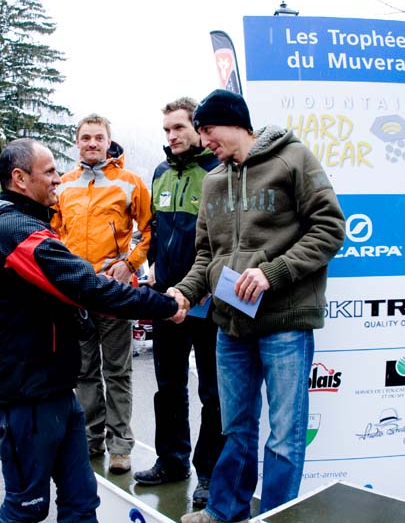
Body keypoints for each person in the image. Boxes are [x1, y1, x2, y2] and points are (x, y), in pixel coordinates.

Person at [0, 137, 183, 522]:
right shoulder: (15, 231)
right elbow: (86, 286)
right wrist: (164, 306)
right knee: (26, 507)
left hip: (56, 392)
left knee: (82, 502)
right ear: (20, 178)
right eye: (49, 171)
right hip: (25, 398)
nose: (58, 179)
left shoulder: (31, 225)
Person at [172, 90, 346, 523]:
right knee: (235, 428)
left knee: (285, 436)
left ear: (235, 122)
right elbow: (206, 255)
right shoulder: (213, 181)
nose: (204, 141)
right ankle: (224, 510)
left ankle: (274, 518)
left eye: (207, 130)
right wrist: (185, 292)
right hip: (230, 326)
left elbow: (329, 228)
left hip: (285, 322)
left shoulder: (292, 158)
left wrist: (274, 272)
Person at [133, 97, 224, 507]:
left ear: (198, 129)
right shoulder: (159, 172)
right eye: (167, 129)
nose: (172, 136)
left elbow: (225, 237)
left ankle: (209, 473)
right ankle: (172, 461)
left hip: (208, 299)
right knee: (168, 387)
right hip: (166, 299)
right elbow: (156, 228)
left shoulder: (219, 170)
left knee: (213, 393)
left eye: (180, 128)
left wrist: (206, 284)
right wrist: (153, 263)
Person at [51, 114, 153, 474]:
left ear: (109, 142)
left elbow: (149, 229)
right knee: (83, 372)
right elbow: (52, 234)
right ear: (77, 142)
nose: (92, 143)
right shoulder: (63, 185)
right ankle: (91, 439)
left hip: (112, 291)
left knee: (117, 372)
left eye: (98, 137)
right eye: (86, 137)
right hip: (76, 292)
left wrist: (130, 263)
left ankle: (121, 445)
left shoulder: (130, 182)